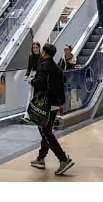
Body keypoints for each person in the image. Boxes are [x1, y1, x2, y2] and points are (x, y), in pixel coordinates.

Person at [28, 43, 75, 175]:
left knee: (45, 131)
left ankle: (63, 159)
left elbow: (40, 83)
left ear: (44, 52)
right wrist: (61, 102)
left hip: (46, 103)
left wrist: (31, 81)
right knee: (46, 129)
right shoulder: (57, 67)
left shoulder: (44, 66)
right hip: (55, 103)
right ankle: (41, 158)